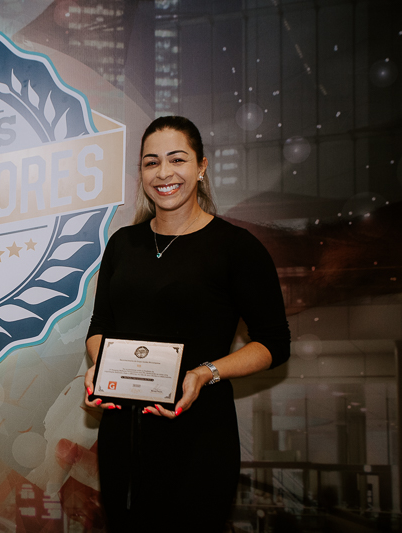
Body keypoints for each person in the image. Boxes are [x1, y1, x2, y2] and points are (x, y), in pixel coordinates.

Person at [83, 115, 290, 532]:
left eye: (177, 159)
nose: (164, 173)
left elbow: (273, 343)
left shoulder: (236, 248)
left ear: (201, 167)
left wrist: (203, 373)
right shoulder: (123, 244)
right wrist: (101, 369)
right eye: (151, 162)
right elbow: (100, 326)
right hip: (124, 433)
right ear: (141, 173)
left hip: (200, 434)